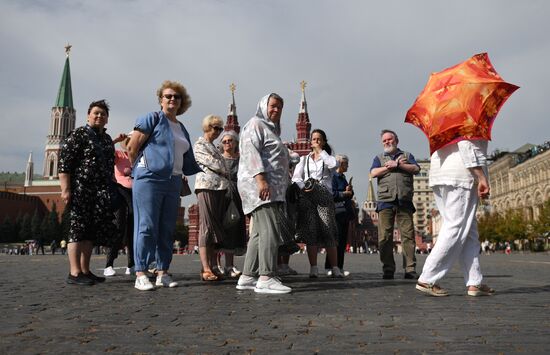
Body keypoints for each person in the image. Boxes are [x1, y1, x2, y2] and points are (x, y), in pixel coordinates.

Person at [127, 80, 201, 291]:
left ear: (181, 103)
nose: (172, 99)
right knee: (146, 226)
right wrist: (139, 170)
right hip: (149, 178)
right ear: (161, 99)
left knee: (166, 228)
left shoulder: (181, 127)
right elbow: (132, 147)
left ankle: (162, 272)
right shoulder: (152, 118)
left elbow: (181, 154)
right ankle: (140, 272)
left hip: (173, 180)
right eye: (168, 96)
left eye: (176, 97)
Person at [416, 140, 495, 297]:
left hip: (441, 175)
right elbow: (466, 145)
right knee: (455, 226)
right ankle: (427, 277)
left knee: (469, 230)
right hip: (462, 176)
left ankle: (474, 282)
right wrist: (481, 177)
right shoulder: (466, 118)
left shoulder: (443, 116)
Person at [236, 93, 292, 294]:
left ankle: (248, 276)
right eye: (273, 106)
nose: (276, 110)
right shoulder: (256, 124)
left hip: (270, 186)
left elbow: (275, 155)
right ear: (263, 105)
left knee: (259, 233)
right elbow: (251, 152)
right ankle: (266, 276)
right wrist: (261, 180)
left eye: (280, 107)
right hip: (261, 186)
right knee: (270, 229)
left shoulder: (270, 129)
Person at [58, 99, 117, 286]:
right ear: (88, 115)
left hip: (100, 192)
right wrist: (66, 190)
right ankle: (74, 272)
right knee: (77, 230)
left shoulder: (107, 139)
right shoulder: (79, 134)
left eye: (103, 114)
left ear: (107, 119)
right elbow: (64, 164)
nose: (99, 116)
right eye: (96, 113)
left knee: (90, 233)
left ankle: (85, 270)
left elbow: (109, 166)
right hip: (81, 189)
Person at [292, 129, 343, 278]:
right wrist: (303, 188)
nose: (315, 141)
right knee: (310, 232)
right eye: (313, 139)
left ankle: (335, 268)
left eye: (319, 139)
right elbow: (296, 178)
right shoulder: (304, 159)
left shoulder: (327, 158)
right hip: (307, 199)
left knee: (328, 230)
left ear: (324, 141)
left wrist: (321, 151)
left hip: (324, 198)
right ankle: (313, 268)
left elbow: (334, 165)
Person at [370, 129, 420, 280]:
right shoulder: (379, 158)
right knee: (384, 237)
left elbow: (416, 169)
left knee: (408, 236)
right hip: (385, 201)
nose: (387, 142)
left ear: (396, 140)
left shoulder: (407, 155)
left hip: (404, 200)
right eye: (384, 140)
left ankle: (410, 269)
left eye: (389, 139)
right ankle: (388, 269)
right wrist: (388, 167)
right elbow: (373, 173)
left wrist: (398, 165)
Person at [193, 115, 230, 282]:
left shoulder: (214, 147)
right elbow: (217, 165)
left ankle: (213, 266)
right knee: (206, 226)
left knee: (216, 228)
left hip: (220, 188)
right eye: (216, 128)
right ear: (207, 127)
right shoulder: (200, 144)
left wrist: (222, 167)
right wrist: (222, 167)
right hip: (206, 187)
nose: (218, 132)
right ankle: (205, 268)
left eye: (220, 129)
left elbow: (223, 166)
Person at [104, 133, 135, 277]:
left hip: (135, 194)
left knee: (133, 229)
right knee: (118, 226)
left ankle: (131, 264)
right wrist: (116, 140)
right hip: (120, 193)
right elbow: (104, 150)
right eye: (128, 142)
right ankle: (109, 264)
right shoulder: (118, 154)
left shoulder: (138, 157)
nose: (131, 144)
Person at [218, 130, 246, 278]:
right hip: (220, 198)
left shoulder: (241, 160)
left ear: (236, 143)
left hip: (236, 198)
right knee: (217, 231)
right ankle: (216, 266)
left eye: (230, 141)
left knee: (232, 230)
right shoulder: (218, 159)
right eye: (225, 141)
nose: (227, 143)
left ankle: (229, 265)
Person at [325, 154, 354, 277]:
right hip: (335, 213)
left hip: (344, 213)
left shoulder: (343, 177)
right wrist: (345, 193)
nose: (348, 166)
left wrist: (350, 191)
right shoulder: (333, 177)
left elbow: (348, 194)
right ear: (340, 164)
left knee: (342, 242)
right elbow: (332, 194)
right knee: (334, 241)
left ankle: (339, 267)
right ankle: (329, 267)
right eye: (346, 163)